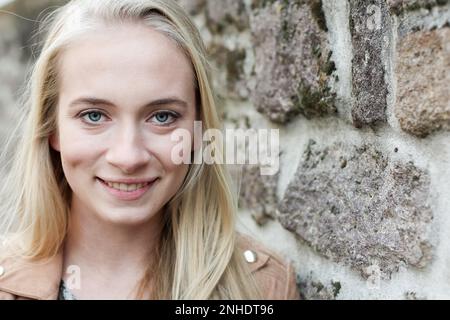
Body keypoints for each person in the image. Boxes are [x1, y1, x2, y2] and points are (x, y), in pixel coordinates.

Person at [0, 0, 299, 300]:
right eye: (94, 115)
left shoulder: (261, 288)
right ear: (52, 128)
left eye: (162, 117)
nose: (128, 158)